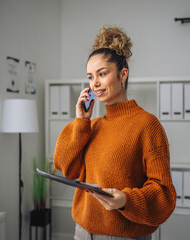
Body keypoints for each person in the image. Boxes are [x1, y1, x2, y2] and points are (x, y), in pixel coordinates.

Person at [54, 25, 176, 240]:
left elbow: (164, 193)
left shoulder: (147, 125)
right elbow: (66, 168)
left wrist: (126, 200)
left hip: (124, 236)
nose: (95, 84)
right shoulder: (90, 126)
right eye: (90, 77)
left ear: (123, 74)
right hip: (82, 232)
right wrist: (81, 121)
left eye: (102, 74)